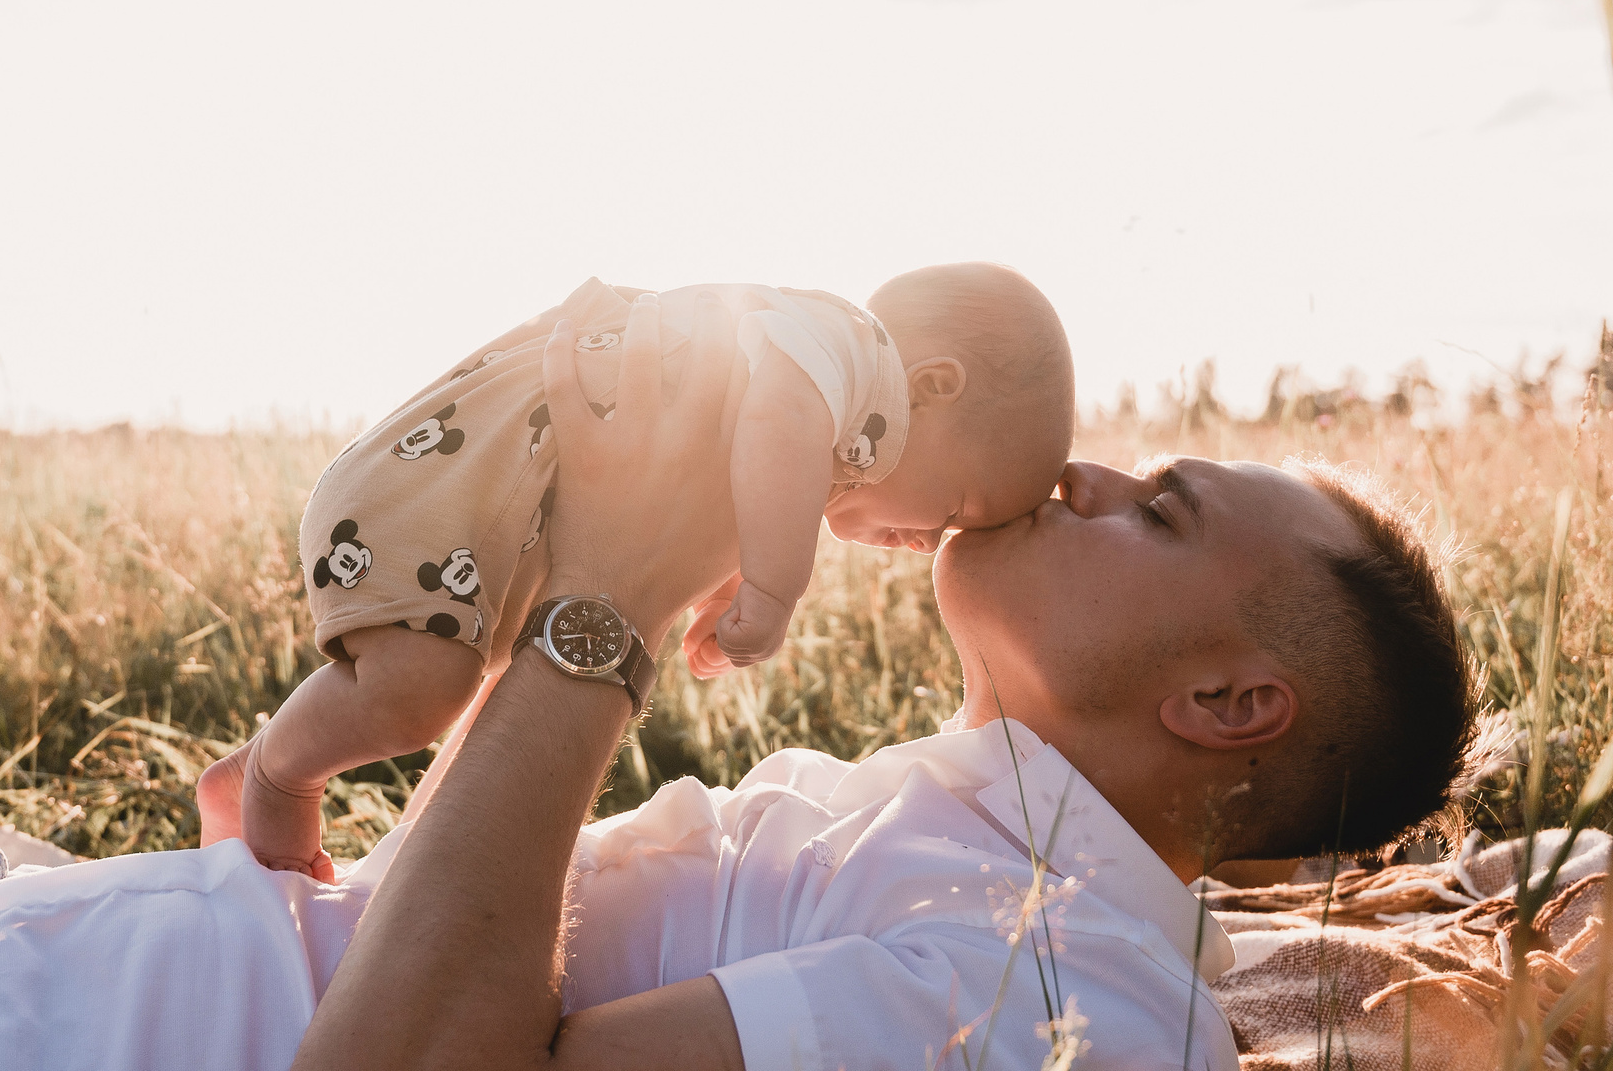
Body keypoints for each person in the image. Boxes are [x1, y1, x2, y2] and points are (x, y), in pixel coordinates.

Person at [0, 294, 1474, 1071]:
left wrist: (598, 622)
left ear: (1227, 709)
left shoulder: (1058, 994)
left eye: (1162, 515)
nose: (1087, 467)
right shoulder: (976, 839)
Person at [201, 266, 1077, 874]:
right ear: (934, 384)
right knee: (420, 692)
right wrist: (775, 583)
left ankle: (304, 793)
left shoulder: (835, 401)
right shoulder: (854, 351)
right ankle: (276, 773)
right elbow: (777, 420)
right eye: (955, 510)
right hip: (447, 484)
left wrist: (726, 572)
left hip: (500, 513)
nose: (929, 544)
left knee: (489, 670)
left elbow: (745, 467)